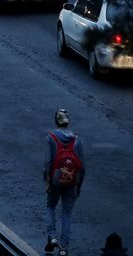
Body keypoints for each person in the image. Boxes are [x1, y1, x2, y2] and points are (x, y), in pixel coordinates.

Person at [44, 109, 85, 256]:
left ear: (56, 122)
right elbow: (82, 167)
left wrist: (47, 181)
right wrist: (78, 186)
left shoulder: (51, 138)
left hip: (55, 180)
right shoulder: (77, 140)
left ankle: (53, 236)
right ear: (68, 122)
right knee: (66, 214)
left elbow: (48, 162)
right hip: (72, 182)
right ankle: (64, 249)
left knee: (50, 206)